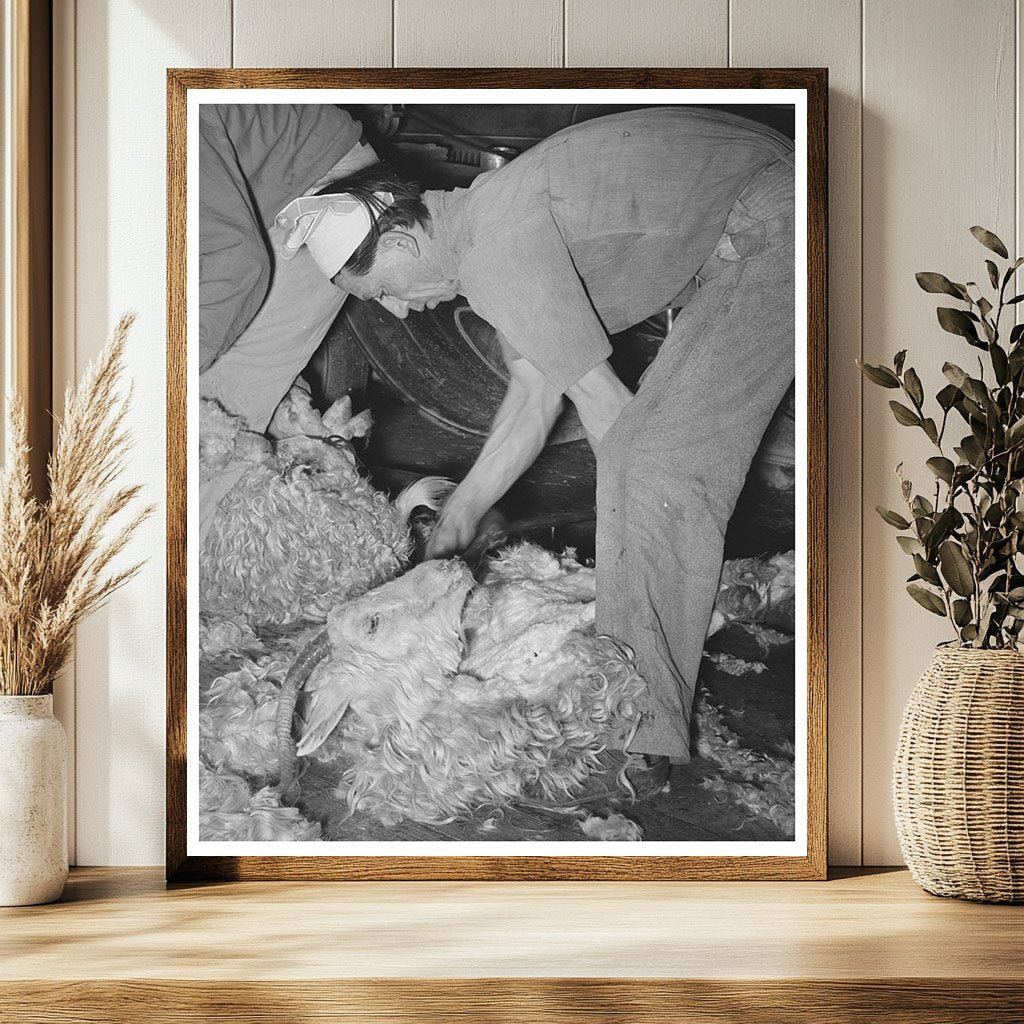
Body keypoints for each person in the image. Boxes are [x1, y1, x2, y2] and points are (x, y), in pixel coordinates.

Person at [277, 106, 796, 802]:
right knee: (647, 462)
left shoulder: (496, 252)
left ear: (399, 242)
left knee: (653, 465)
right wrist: (455, 527)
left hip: (776, 215)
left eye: (382, 294)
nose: (398, 311)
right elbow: (533, 397)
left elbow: (611, 417)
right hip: (745, 218)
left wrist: (643, 551)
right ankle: (647, 679)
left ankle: (639, 723)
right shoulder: (481, 231)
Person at [196, 104, 379, 544]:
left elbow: (238, 261)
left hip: (330, 191)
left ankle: (177, 568)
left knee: (207, 416)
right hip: (282, 182)